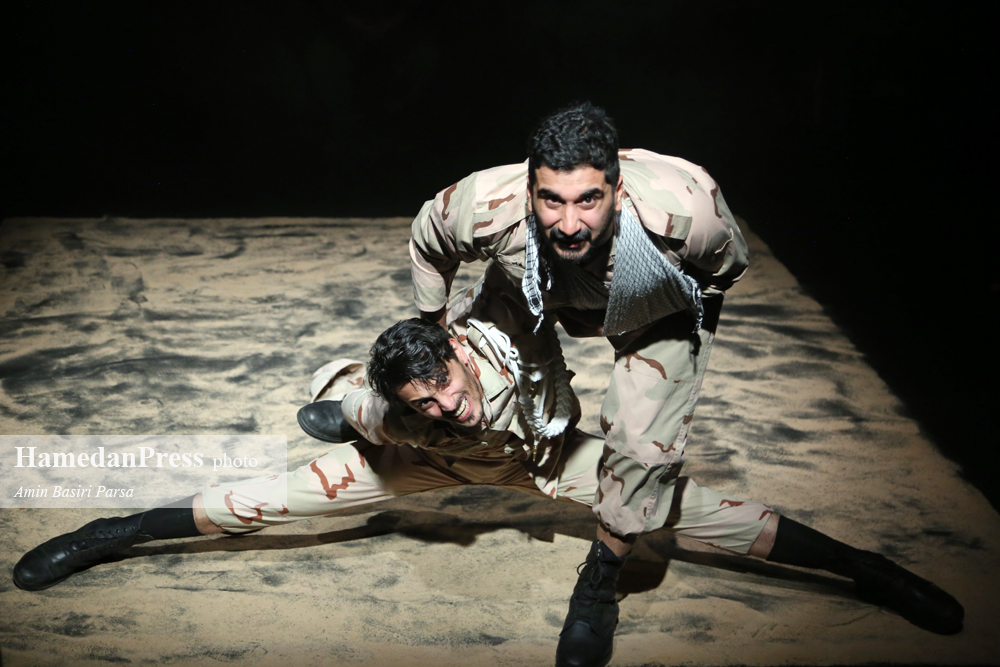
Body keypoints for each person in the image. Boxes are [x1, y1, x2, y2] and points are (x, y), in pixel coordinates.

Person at [301, 102, 964, 666]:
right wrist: (433, 328)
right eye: (552, 200)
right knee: (458, 381)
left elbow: (724, 270)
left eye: (588, 199)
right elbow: (429, 238)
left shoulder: (688, 213)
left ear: (616, 190)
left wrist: (643, 327)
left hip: (651, 304)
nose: (569, 222)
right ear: (530, 190)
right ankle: (366, 409)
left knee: (641, 452)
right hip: (531, 289)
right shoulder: (483, 204)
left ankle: (603, 579)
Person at [13, 316, 776, 605]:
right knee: (269, 495)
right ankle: (118, 529)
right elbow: (385, 408)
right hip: (426, 464)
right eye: (425, 397)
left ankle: (846, 564)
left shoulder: (515, 368)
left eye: (446, 380)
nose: (448, 401)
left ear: (460, 352)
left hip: (539, 458)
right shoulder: (405, 413)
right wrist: (365, 411)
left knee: (681, 504)